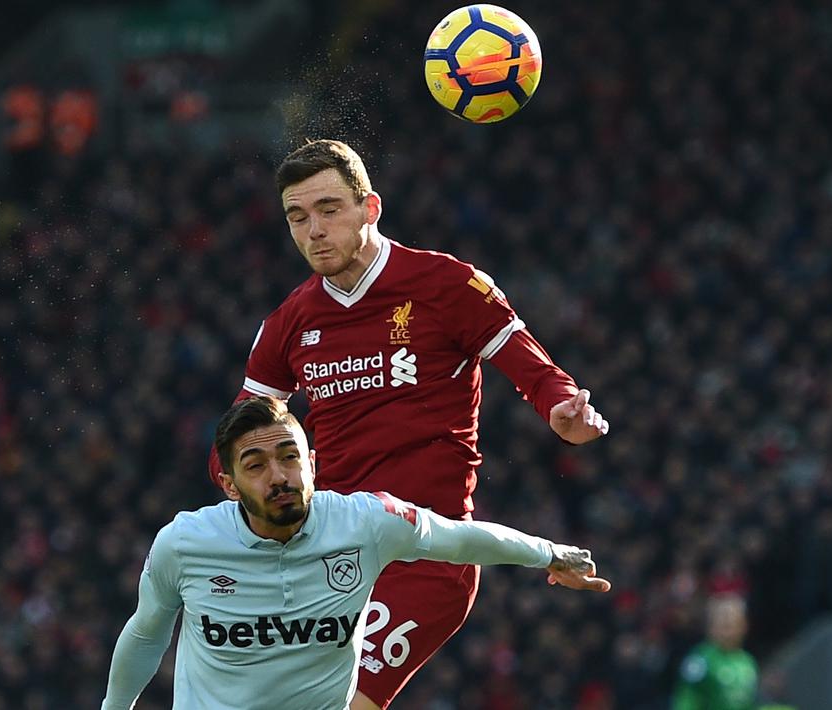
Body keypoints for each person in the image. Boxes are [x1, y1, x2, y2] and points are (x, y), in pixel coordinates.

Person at [208, 138, 609, 708]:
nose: (313, 230)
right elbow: (233, 440)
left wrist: (563, 409)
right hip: (327, 559)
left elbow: (534, 369)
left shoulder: (446, 285)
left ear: (370, 207)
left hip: (424, 554)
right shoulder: (290, 322)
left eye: (329, 210)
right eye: (298, 217)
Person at [105, 396, 611, 709]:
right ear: (229, 484)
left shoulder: (364, 520)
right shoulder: (185, 543)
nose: (279, 476)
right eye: (256, 465)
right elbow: (147, 633)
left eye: (289, 457)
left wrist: (550, 554)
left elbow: (459, 538)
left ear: (313, 464)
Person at [672, 595, 759, 710]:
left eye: (732, 623)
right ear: (712, 627)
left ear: (744, 626)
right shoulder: (700, 659)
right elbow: (686, 699)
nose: (728, 630)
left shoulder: (748, 662)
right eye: (722, 623)